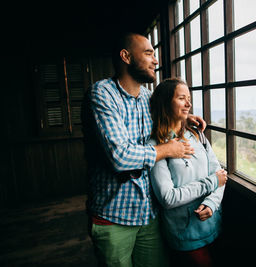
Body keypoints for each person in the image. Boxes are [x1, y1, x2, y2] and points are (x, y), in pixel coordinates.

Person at [81, 32, 205, 267]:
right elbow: (120, 156)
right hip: (112, 217)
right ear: (126, 56)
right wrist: (168, 149)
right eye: (148, 53)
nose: (156, 60)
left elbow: (164, 120)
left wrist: (183, 119)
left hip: (149, 214)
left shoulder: (149, 97)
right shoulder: (102, 94)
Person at [149, 78, 227, 267]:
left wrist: (211, 203)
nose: (188, 103)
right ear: (166, 103)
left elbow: (220, 175)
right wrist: (211, 183)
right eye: (182, 98)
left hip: (213, 222)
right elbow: (168, 198)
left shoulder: (197, 134)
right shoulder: (156, 146)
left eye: (189, 98)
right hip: (184, 233)